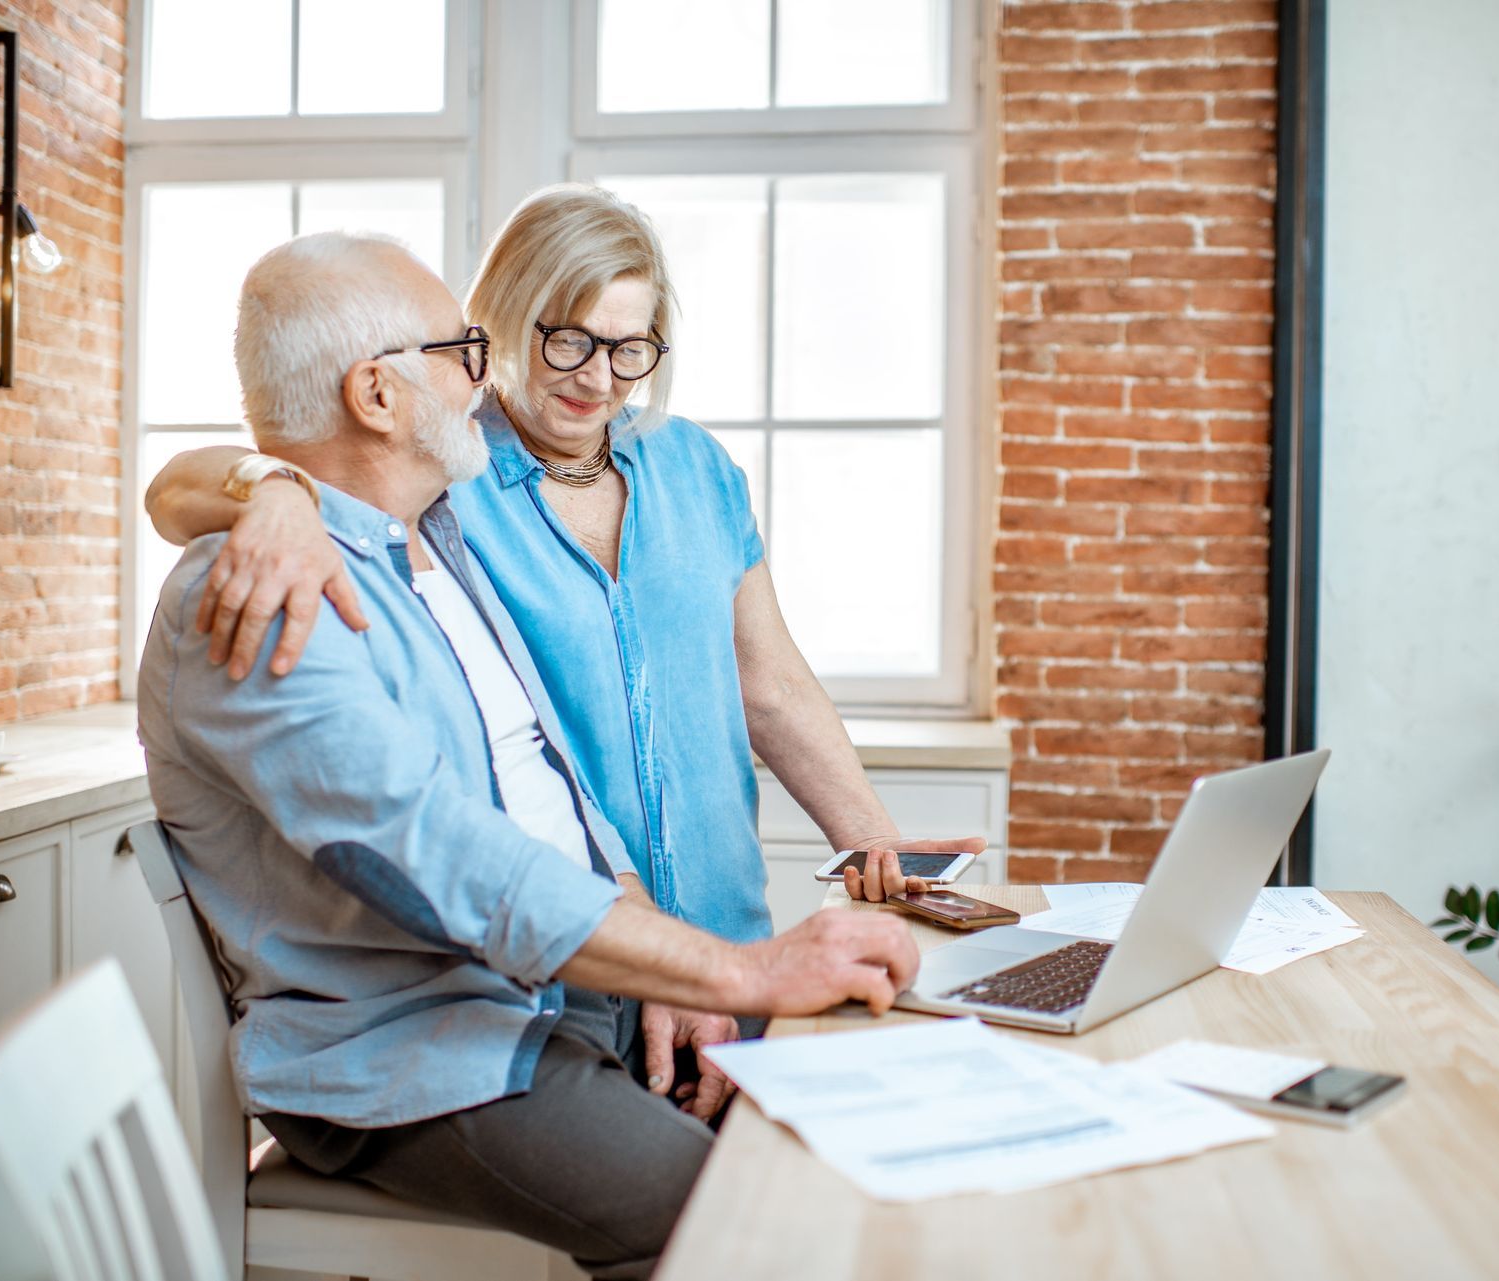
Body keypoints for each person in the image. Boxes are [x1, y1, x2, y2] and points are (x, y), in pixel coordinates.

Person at [137, 230, 919, 1281]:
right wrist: (741, 967)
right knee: (761, 1221)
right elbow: (440, 858)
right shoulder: (272, 593)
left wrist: (689, 958)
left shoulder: (428, 541)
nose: (483, 373)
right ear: (376, 394)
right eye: (466, 348)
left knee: (859, 1144)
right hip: (431, 1049)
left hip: (553, 999)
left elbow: (551, 795)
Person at [145, 183, 984, 936]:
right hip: (566, 955)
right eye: (571, 342)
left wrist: (875, 839)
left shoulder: (696, 468)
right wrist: (277, 491)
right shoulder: (444, 467)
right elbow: (178, 489)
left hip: (728, 930)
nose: (601, 378)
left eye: (631, 348)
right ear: (506, 317)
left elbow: (771, 684)